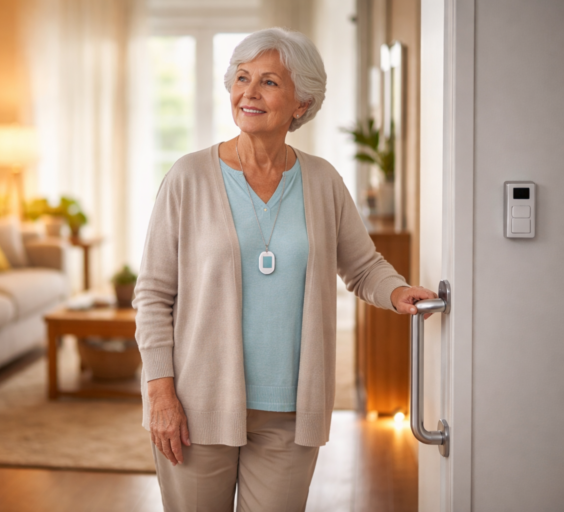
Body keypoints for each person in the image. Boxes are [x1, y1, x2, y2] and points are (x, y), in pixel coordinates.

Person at [133, 27, 436, 512]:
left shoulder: (322, 181)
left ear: (302, 103)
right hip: (196, 405)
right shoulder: (188, 177)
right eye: (242, 78)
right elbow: (153, 294)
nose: (249, 92)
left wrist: (397, 292)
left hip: (291, 411)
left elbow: (362, 265)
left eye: (269, 82)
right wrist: (160, 393)